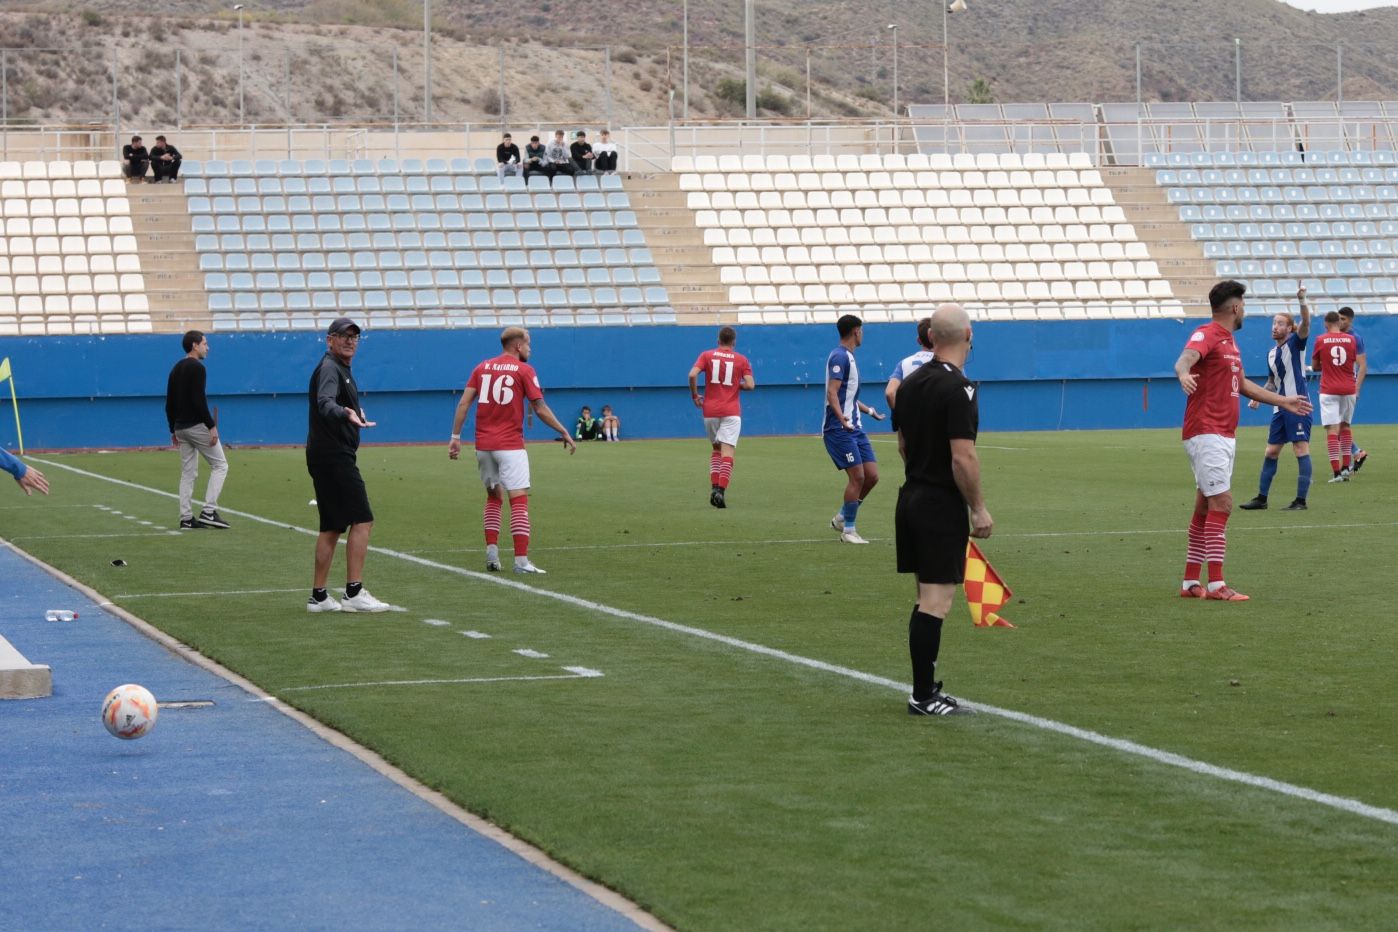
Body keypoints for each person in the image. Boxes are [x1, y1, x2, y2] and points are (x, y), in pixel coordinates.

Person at [1173, 280, 1311, 602]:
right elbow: (1185, 359)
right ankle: (1217, 585)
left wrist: (1284, 401)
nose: (1244, 310)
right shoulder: (1207, 333)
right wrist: (1183, 374)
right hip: (1207, 431)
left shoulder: (1229, 343)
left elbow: (1243, 384)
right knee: (1222, 504)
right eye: (1244, 305)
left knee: (1205, 505)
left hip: (1221, 433)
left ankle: (1191, 582)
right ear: (1235, 307)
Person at [894, 304, 990, 716]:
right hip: (938, 505)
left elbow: (902, 444)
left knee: (924, 598)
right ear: (968, 334)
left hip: (911, 497)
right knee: (936, 602)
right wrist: (978, 508)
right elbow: (962, 457)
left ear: (931, 337)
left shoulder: (909, 384)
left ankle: (926, 688)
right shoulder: (959, 388)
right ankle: (922, 696)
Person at [449, 327, 577, 575]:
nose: (530, 349)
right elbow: (539, 408)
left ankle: (492, 554)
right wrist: (563, 430)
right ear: (518, 346)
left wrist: (455, 437)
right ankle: (521, 561)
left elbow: (464, 403)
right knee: (518, 500)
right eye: (528, 344)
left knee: (493, 497)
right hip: (510, 445)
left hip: (483, 446)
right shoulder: (524, 370)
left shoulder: (481, 367)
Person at [305, 317, 391, 613]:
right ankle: (353, 592)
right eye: (344, 336)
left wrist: (354, 412)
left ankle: (318, 597)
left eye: (354, 337)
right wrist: (345, 413)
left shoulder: (338, 368)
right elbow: (325, 402)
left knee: (331, 526)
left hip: (324, 454)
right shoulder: (331, 367)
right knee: (362, 519)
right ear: (330, 340)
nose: (350, 341)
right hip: (334, 455)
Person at [1239, 286, 1313, 511]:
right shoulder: (1271, 354)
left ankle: (1300, 501)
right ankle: (1261, 499)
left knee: (1300, 449)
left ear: (1290, 328)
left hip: (1298, 405)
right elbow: (1273, 382)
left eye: (1280, 323)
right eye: (1274, 323)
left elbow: (1306, 323)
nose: (1275, 326)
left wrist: (1302, 300)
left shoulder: (1296, 344)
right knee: (1271, 451)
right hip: (1280, 408)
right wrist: (1258, 396)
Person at [825, 314, 886, 544]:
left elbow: (848, 396)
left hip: (854, 428)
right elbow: (832, 392)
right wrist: (841, 418)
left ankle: (842, 516)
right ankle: (848, 531)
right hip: (839, 428)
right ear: (856, 331)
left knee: (872, 476)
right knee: (858, 476)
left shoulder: (849, 357)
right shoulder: (839, 356)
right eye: (861, 330)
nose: (862, 335)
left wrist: (870, 411)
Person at [164, 330, 230, 530]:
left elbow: (169, 403)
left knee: (188, 473)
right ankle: (209, 512)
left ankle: (186, 518)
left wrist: (173, 429)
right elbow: (199, 400)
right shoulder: (198, 368)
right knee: (220, 465)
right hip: (196, 426)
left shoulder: (175, 368)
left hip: (180, 428)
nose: (207, 347)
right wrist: (211, 426)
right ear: (195, 345)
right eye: (205, 343)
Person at [688, 325, 756, 508]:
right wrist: (736, 384)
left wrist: (694, 395)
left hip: (710, 411)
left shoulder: (707, 355)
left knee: (716, 450)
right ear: (734, 342)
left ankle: (713, 489)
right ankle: (721, 491)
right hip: (731, 412)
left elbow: (692, 374)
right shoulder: (741, 359)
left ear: (718, 341)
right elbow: (750, 385)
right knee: (728, 453)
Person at [1312, 310, 1361, 483]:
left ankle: (1336, 473)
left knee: (1332, 430)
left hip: (1329, 389)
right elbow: (1352, 362)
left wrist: (1327, 365)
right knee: (1345, 426)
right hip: (1348, 388)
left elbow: (1315, 366)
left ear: (1325, 323)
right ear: (1339, 323)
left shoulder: (1320, 340)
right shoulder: (1351, 340)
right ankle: (1346, 469)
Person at [1336, 306, 1369, 473]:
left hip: (1348, 388)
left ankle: (1351, 459)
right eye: (1338, 318)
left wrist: (1356, 389)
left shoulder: (1355, 338)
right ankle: (1357, 453)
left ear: (1350, 320)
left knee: (1339, 426)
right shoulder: (1335, 336)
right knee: (1337, 426)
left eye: (1343, 319)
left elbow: (1363, 366)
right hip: (1334, 387)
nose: (1340, 321)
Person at [884, 316, 934, 417]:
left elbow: (890, 393)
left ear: (918, 340)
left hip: (911, 420)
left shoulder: (903, 363)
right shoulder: (948, 362)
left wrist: (899, 416)